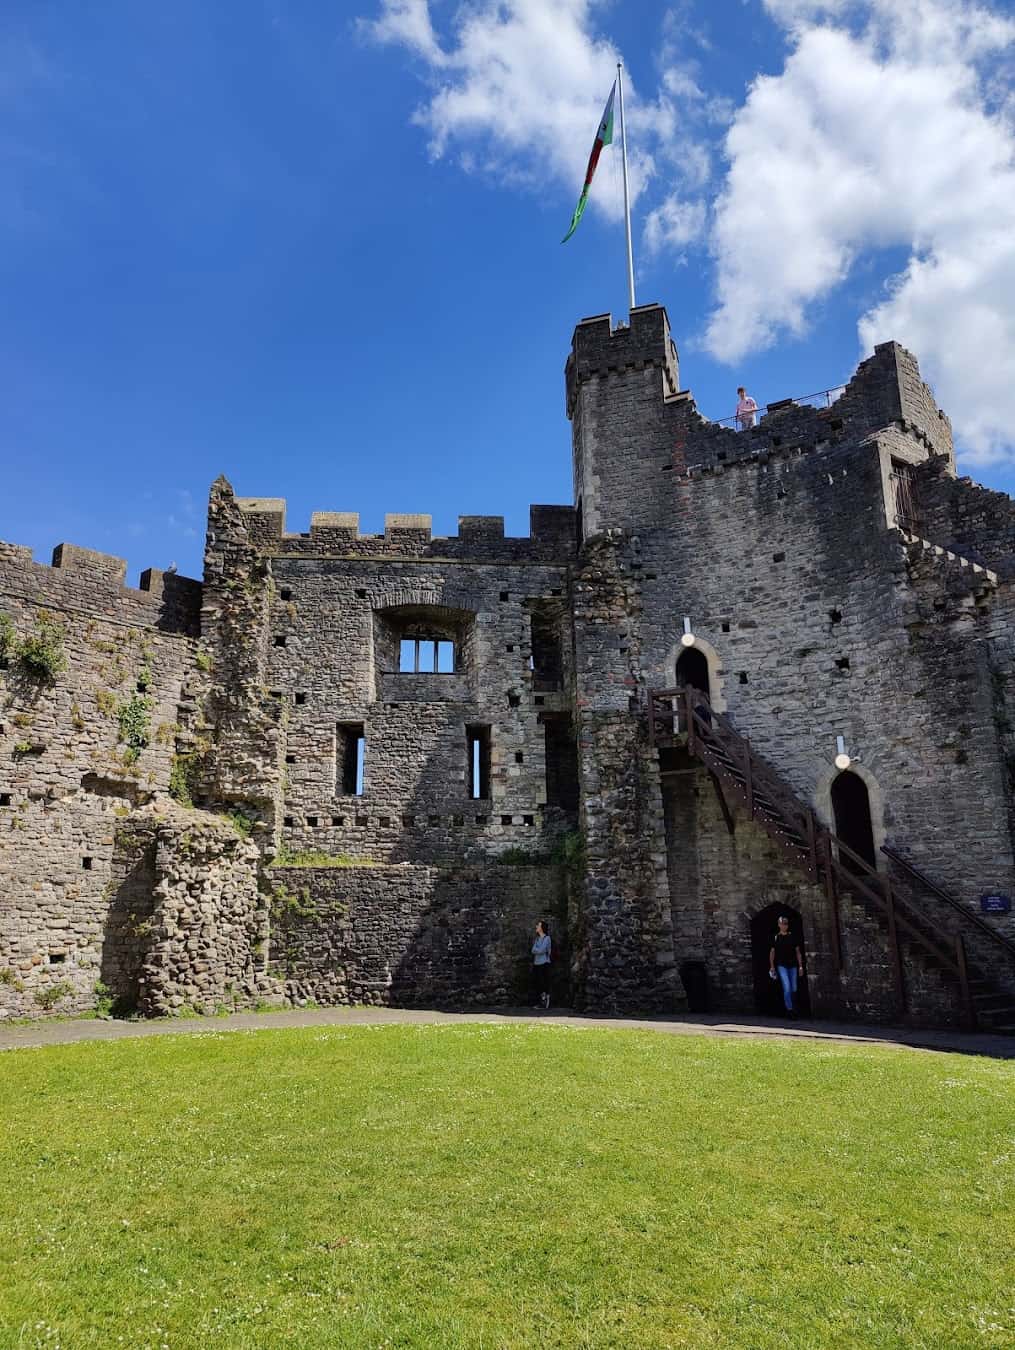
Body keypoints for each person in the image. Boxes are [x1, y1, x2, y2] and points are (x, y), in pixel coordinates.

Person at [769, 915, 804, 1014]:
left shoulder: (792, 936)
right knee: (787, 987)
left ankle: (794, 1007)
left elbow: (798, 952)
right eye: (782, 924)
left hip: (793, 964)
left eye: (786, 924)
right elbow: (772, 952)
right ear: (779, 925)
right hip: (781, 965)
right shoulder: (776, 938)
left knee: (794, 987)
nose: (784, 926)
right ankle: (790, 1010)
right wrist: (772, 966)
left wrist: (800, 966)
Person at [531, 920, 552, 1010]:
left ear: (542, 928)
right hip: (536, 963)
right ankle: (540, 1002)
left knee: (543, 983)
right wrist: (537, 950)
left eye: (538, 925)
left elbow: (541, 950)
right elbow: (533, 950)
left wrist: (537, 950)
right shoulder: (537, 939)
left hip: (544, 963)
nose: (536, 927)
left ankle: (544, 1002)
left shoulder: (547, 938)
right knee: (537, 984)